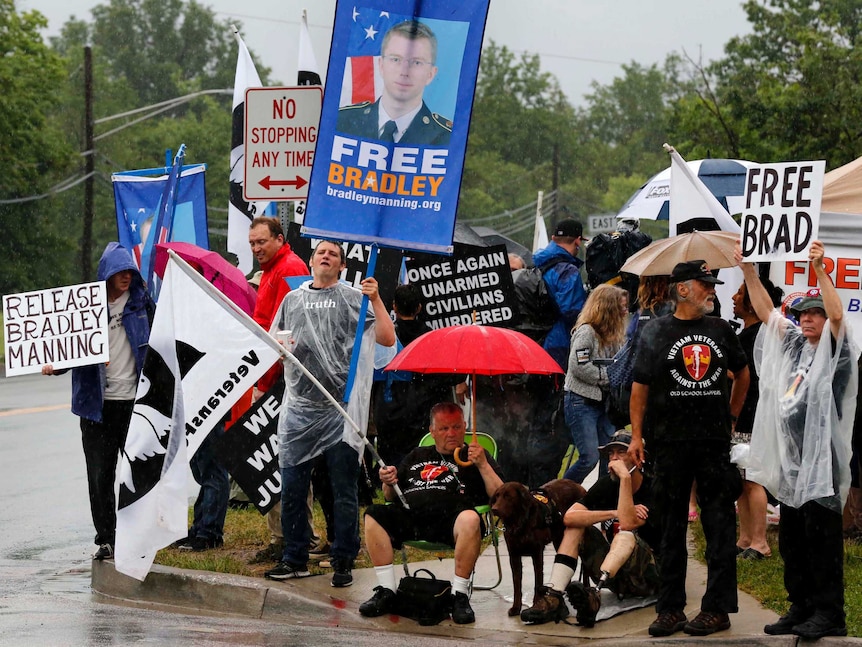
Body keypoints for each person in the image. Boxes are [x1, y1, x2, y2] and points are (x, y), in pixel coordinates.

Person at [738, 240, 857, 640]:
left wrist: (821, 271)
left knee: (822, 541)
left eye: (814, 314)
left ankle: (829, 613)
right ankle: (800, 605)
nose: (807, 320)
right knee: (792, 539)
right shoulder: (793, 345)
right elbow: (768, 313)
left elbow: (839, 316)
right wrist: (750, 273)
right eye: (803, 314)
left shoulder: (836, 349)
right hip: (792, 463)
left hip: (822, 463)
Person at [628, 259, 749, 637]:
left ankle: (717, 609)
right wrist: (635, 436)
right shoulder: (656, 331)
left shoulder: (720, 329)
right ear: (682, 289)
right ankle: (670, 608)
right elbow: (640, 386)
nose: (712, 290)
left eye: (712, 284)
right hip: (668, 442)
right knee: (670, 527)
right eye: (705, 284)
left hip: (712, 443)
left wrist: (731, 416)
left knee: (719, 526)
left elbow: (743, 373)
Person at [264, 240, 395, 587]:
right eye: (321, 252)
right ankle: (294, 558)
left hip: (340, 411)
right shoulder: (292, 301)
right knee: (292, 488)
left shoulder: (354, 298)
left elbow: (386, 337)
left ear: (341, 266)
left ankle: (343, 559)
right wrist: (280, 349)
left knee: (343, 490)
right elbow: (275, 343)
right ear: (310, 261)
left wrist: (376, 299)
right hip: (299, 411)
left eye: (333, 254)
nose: (326, 256)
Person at [42, 242, 155, 560]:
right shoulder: (86, 307)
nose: (125, 278)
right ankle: (108, 538)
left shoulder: (141, 303)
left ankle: (142, 535)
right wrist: (55, 365)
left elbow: (160, 341)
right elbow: (68, 345)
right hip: (97, 405)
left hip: (134, 403)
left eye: (129, 271)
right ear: (106, 273)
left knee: (140, 474)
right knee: (100, 475)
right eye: (119, 272)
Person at [358, 402, 504, 624]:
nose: (452, 433)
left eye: (456, 427)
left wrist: (483, 465)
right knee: (374, 513)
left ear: (465, 426)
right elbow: (390, 496)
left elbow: (499, 495)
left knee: (470, 518)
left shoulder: (474, 456)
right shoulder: (418, 454)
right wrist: (388, 481)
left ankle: (459, 595)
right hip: (412, 517)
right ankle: (386, 591)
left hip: (451, 520)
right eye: (444, 429)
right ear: (432, 431)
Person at [521, 431, 659, 626]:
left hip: (650, 576)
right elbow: (570, 517)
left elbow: (628, 524)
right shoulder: (607, 484)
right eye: (610, 454)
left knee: (625, 534)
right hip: (615, 575)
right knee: (577, 527)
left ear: (638, 456)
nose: (614, 459)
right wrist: (613, 513)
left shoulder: (654, 486)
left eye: (621, 452)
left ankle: (593, 595)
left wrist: (626, 480)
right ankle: (554, 597)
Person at [247, 216, 310, 563]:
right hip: (269, 376)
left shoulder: (290, 267)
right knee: (273, 462)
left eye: (262, 242)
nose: (256, 249)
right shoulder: (272, 269)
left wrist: (266, 381)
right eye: (252, 243)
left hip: (281, 380)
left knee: (288, 462)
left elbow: (286, 334)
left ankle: (300, 536)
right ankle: (281, 536)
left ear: (279, 238)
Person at [519, 218, 589, 487]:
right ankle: (543, 483)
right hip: (556, 352)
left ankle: (525, 476)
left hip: (530, 350)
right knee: (549, 423)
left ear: (551, 237)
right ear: (578, 241)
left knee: (533, 417)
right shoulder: (566, 271)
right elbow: (574, 312)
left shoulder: (534, 262)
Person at [373, 284, 459, 467]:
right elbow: (448, 376)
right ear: (419, 307)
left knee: (392, 462)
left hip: (390, 408)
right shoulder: (432, 338)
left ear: (394, 306)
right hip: (422, 409)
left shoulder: (384, 336)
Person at [730, 277, 782, 560]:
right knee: (741, 478)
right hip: (743, 414)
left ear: (752, 302)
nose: (733, 298)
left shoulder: (761, 335)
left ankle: (760, 542)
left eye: (739, 294)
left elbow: (748, 376)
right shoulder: (745, 333)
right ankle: (745, 537)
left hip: (753, 414)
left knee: (753, 479)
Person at [337, 19, 452, 145]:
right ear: (381, 65)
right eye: (396, 59)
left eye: (417, 62)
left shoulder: (447, 139)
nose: (404, 72)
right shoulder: (342, 122)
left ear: (431, 74)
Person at [562, 284, 628, 484]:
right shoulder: (586, 332)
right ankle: (560, 494)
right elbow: (578, 367)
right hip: (580, 402)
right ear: (608, 308)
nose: (626, 311)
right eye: (622, 307)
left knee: (609, 454)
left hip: (602, 403)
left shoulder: (615, 335)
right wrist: (609, 376)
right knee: (589, 457)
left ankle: (599, 498)